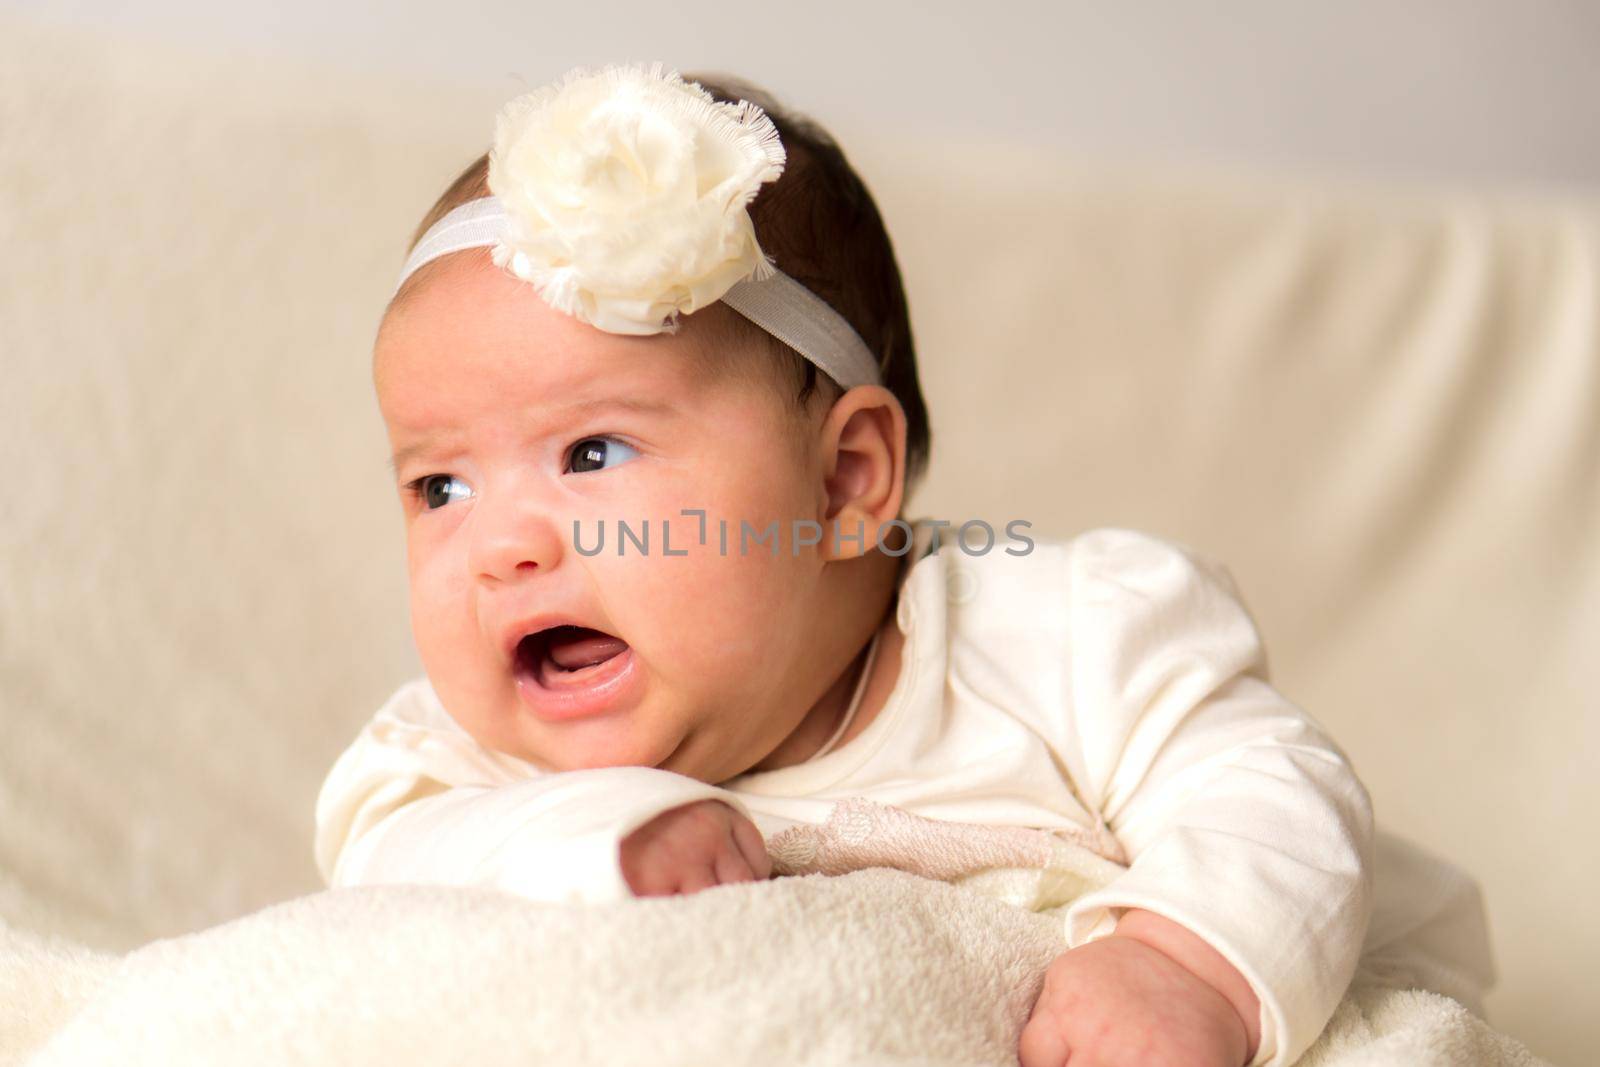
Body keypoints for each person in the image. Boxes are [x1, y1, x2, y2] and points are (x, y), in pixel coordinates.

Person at [313, 63, 1479, 1067]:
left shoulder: (1068, 636)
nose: (502, 546)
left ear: (843, 480)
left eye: (592, 450)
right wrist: (599, 832)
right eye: (439, 485)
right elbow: (389, 874)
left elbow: (1273, 790)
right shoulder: (447, 762)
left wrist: (1189, 964)